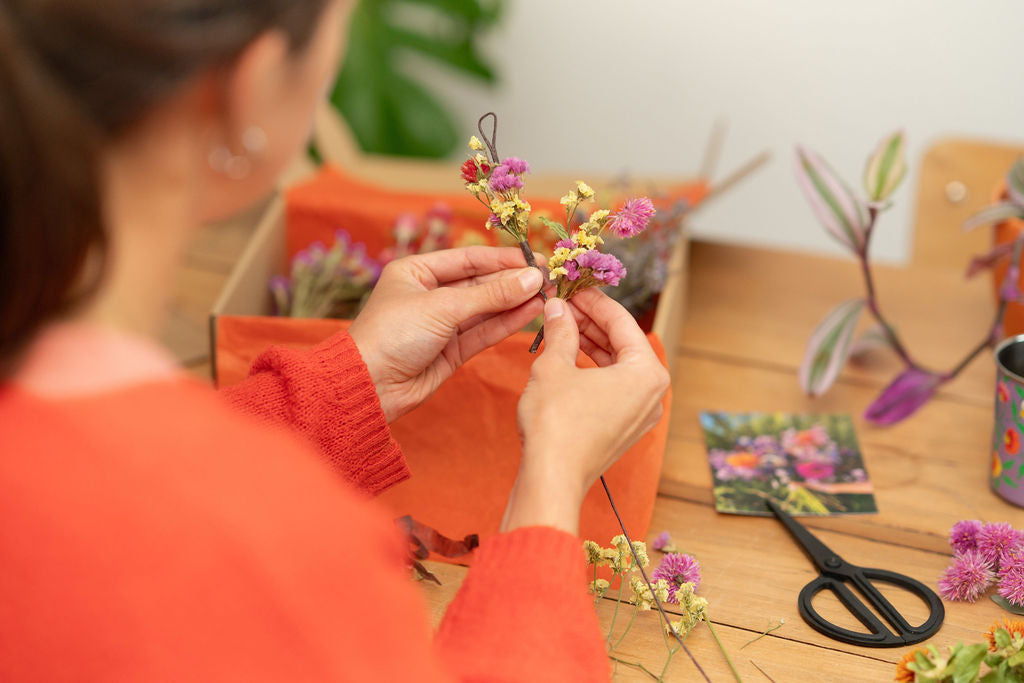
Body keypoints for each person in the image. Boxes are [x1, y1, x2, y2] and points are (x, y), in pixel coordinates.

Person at [0, 0, 670, 680]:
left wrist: (348, 387)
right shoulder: (302, 564)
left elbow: (114, 522)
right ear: (253, 90)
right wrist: (550, 488)